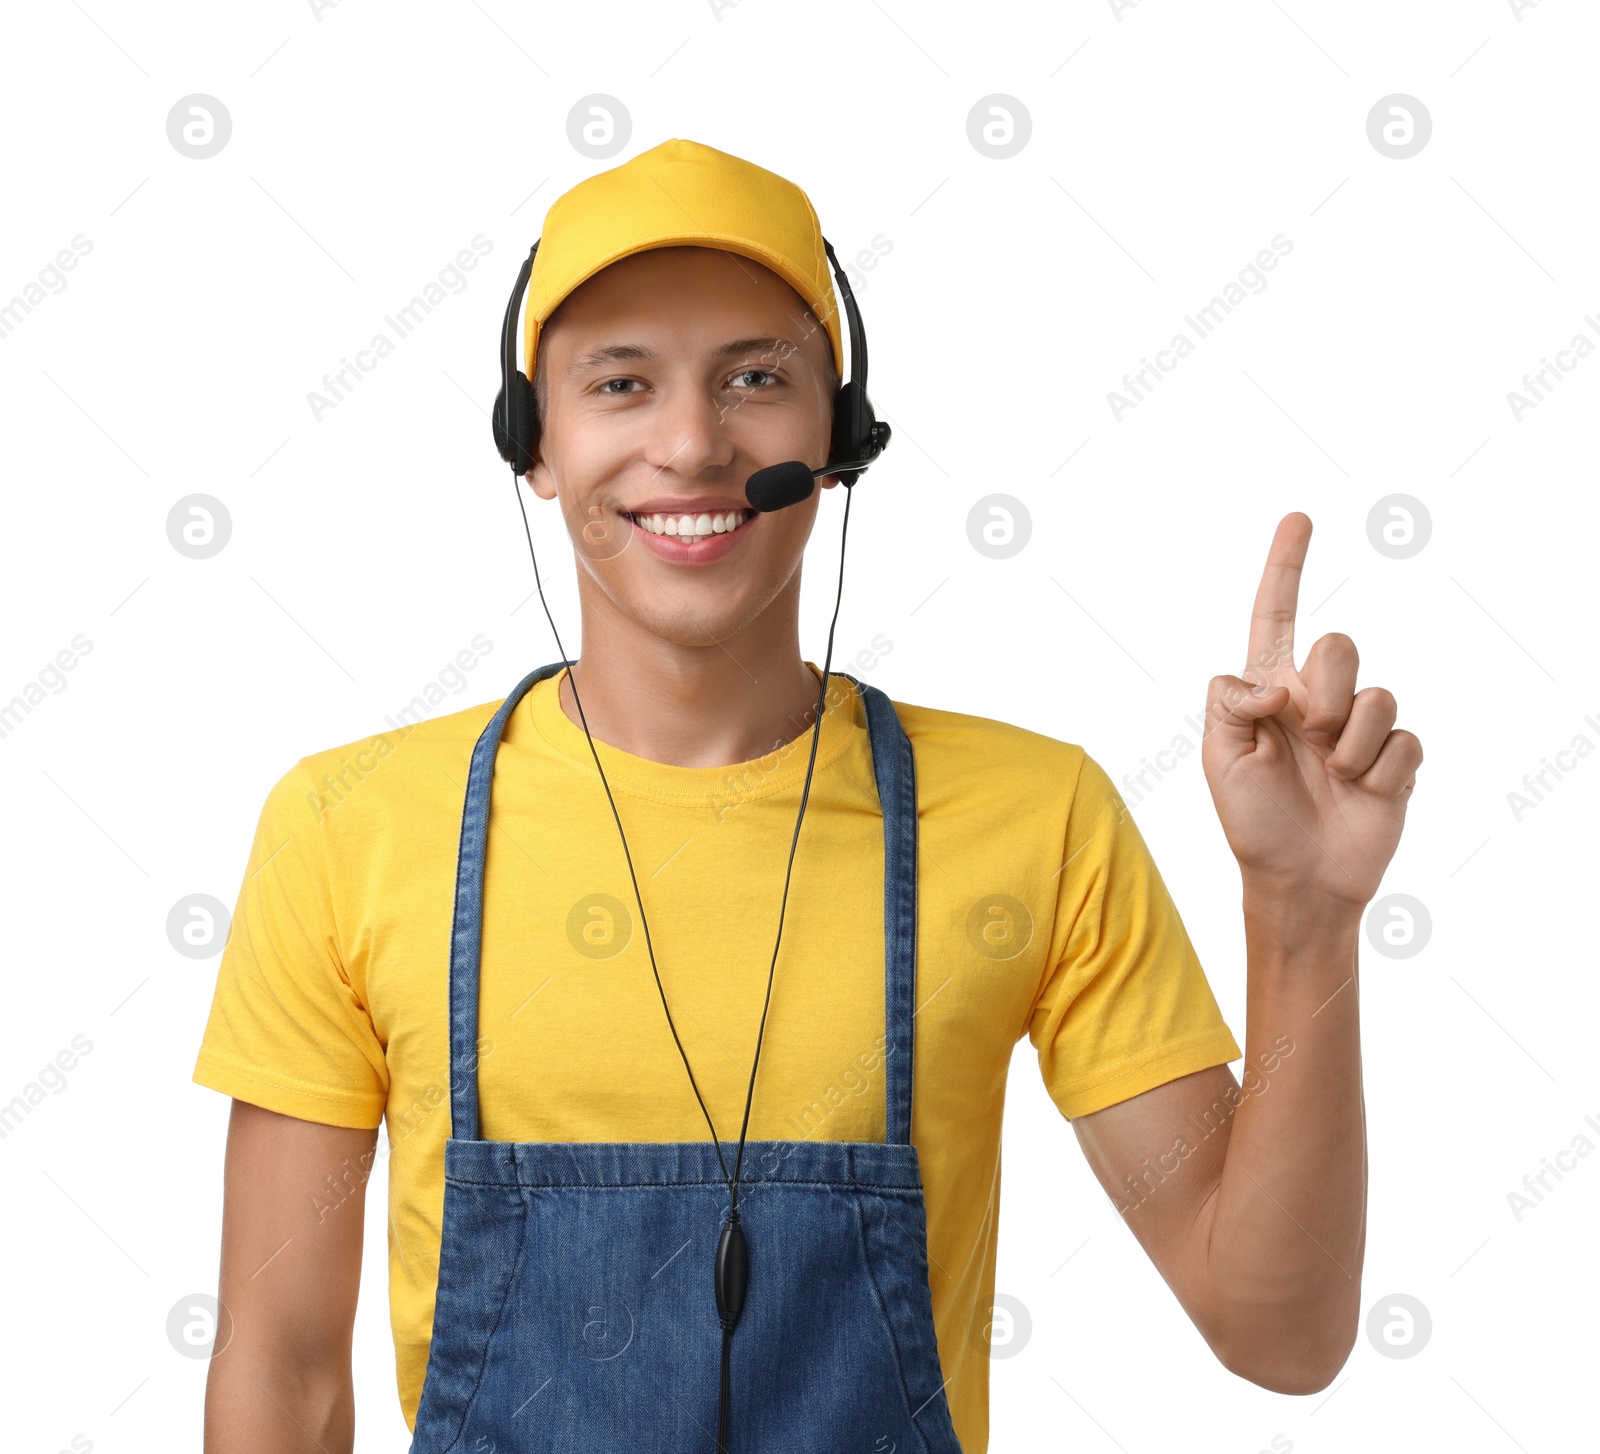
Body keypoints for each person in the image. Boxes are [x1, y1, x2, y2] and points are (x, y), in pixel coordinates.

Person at [192, 138, 1423, 1454]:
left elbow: (1278, 1332)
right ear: (531, 442)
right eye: (621, 382)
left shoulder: (1036, 817)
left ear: (836, 438)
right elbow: (284, 1370)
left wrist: (1301, 915)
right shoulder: (349, 827)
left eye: (756, 379)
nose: (690, 442)